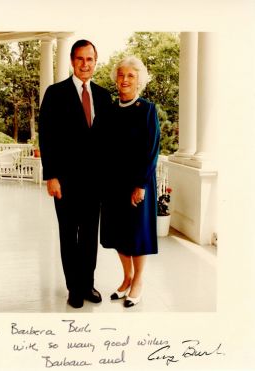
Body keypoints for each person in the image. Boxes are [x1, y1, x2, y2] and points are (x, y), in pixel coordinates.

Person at [39, 40, 112, 309]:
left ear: (95, 61)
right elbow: (47, 137)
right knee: (69, 234)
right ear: (72, 61)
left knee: (90, 235)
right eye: (80, 59)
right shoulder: (55, 93)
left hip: (95, 182)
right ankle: (73, 287)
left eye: (90, 59)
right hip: (66, 181)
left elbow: (109, 141)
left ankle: (87, 283)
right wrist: (52, 176)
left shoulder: (104, 97)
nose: (85, 64)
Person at [100, 56, 160, 308]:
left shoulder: (147, 109)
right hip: (113, 183)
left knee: (136, 234)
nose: (124, 80)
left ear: (139, 81)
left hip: (138, 182)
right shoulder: (111, 110)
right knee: (117, 234)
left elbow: (152, 149)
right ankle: (127, 278)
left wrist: (141, 185)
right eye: (121, 75)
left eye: (130, 76)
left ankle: (139, 282)